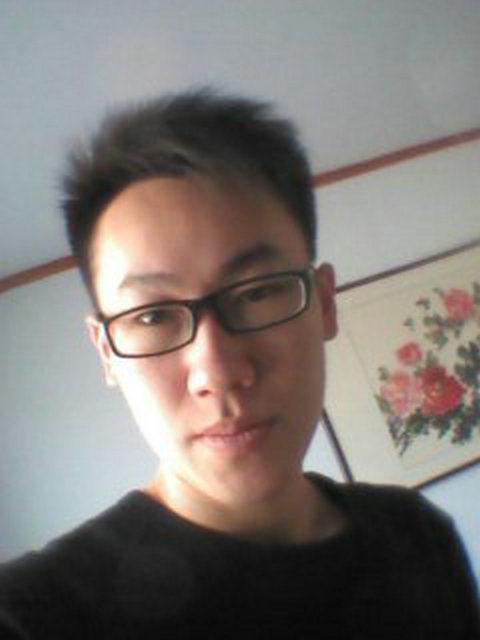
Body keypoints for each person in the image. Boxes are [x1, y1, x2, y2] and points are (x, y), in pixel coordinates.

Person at [0, 89, 478, 639]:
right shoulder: (36, 615)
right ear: (106, 351)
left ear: (324, 303)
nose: (219, 373)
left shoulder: (418, 533)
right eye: (152, 316)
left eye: (256, 293)